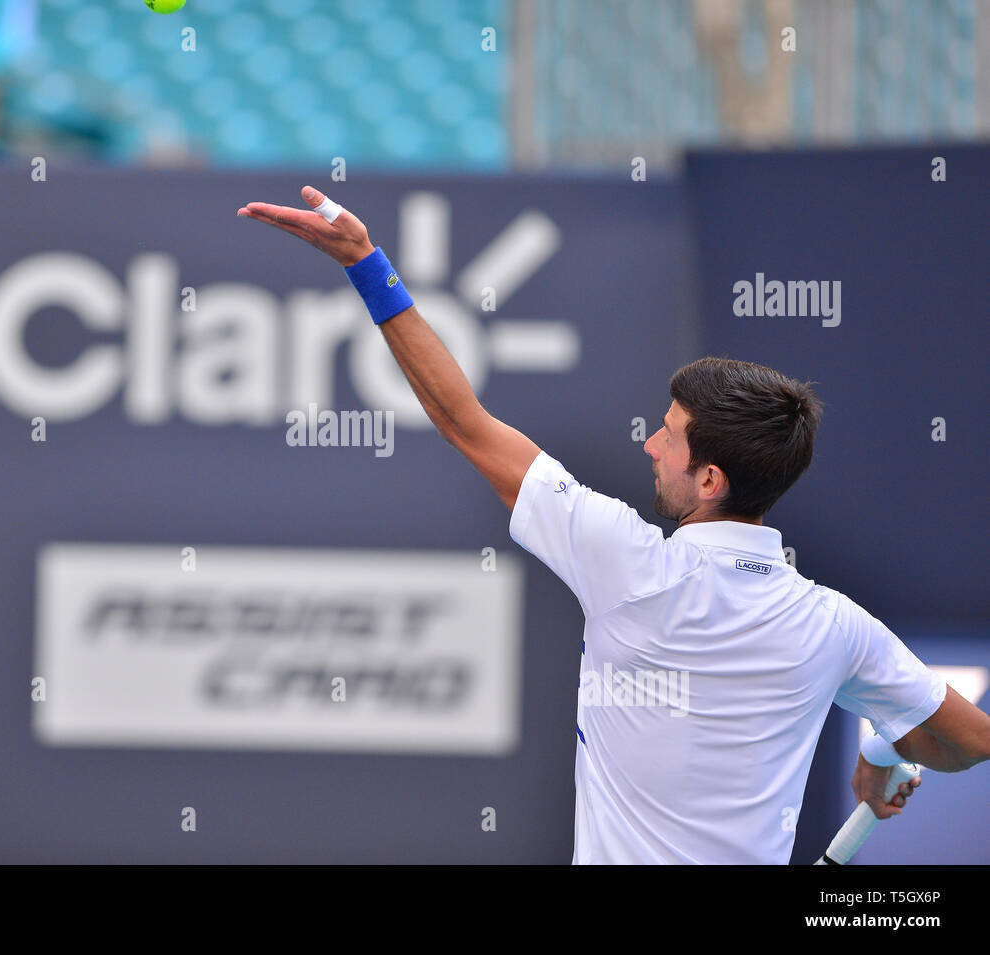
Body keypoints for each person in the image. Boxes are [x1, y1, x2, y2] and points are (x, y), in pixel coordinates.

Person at [236, 186, 990, 864]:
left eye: (668, 434)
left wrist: (367, 264)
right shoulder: (837, 627)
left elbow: (462, 420)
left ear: (710, 479)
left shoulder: (625, 561)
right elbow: (968, 741)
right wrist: (884, 745)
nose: (649, 444)